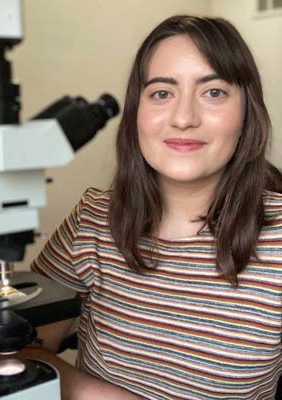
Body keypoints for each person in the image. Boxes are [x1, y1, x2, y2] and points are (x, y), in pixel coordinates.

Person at [20, 15, 282, 400]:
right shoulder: (92, 220)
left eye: (213, 92)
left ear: (247, 113)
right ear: (136, 113)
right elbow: (21, 349)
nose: (184, 118)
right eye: (162, 93)